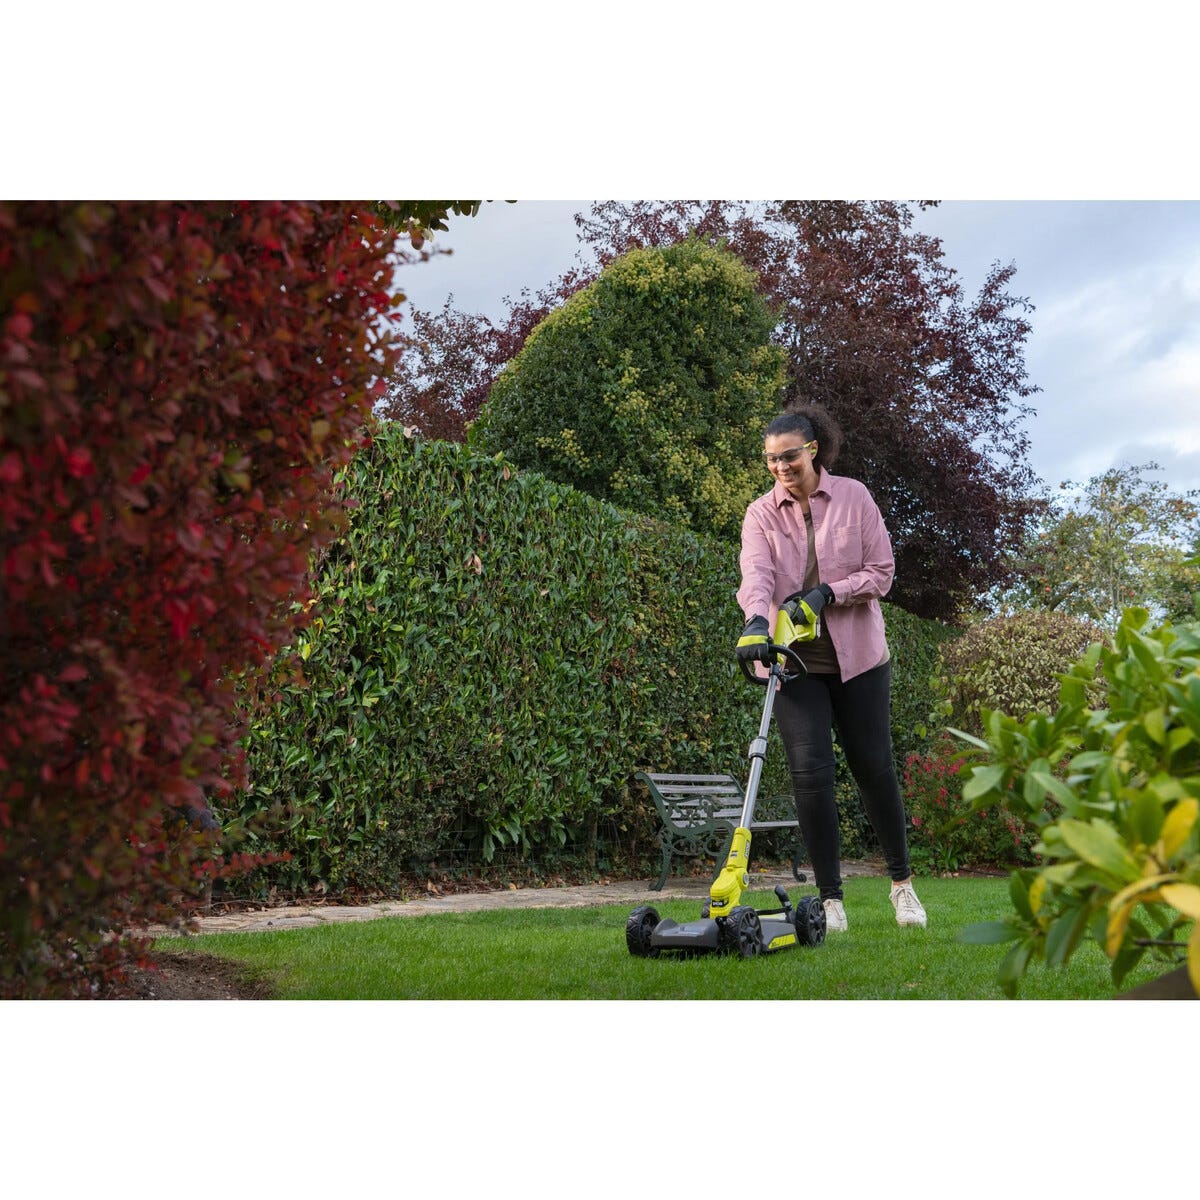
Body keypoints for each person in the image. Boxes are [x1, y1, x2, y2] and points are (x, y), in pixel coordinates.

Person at [734, 405, 926, 932]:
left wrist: (827, 592)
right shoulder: (760, 514)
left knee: (873, 767)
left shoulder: (854, 497)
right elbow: (756, 573)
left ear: (813, 449)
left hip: (858, 657)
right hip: (795, 663)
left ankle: (902, 885)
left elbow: (881, 572)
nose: (780, 467)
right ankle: (830, 901)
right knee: (810, 775)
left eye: (789, 456)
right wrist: (756, 620)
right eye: (771, 459)